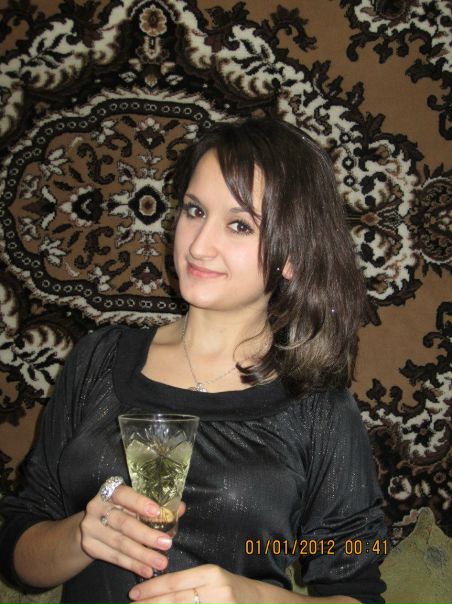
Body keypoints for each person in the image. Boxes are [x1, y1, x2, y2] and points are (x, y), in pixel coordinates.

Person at [0, 118, 388, 604]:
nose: (199, 245)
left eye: (240, 225)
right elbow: (20, 549)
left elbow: (356, 585)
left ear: (292, 255)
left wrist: (254, 598)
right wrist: (82, 534)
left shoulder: (318, 408)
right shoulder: (99, 358)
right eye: (194, 210)